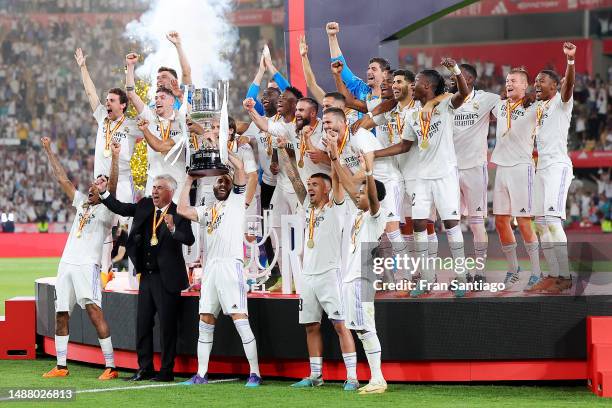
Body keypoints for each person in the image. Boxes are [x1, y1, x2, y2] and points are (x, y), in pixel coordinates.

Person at [373, 59, 471, 297]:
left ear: (426, 86)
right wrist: (374, 154)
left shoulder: (445, 105)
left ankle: (462, 278)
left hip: (445, 174)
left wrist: (455, 71)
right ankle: (426, 278)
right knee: (418, 224)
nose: (413, 86)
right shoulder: (413, 115)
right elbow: (404, 145)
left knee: (450, 225)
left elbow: (463, 94)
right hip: (422, 178)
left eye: (416, 82)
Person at [274, 129, 359, 391]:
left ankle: (353, 377)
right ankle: (315, 376)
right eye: (309, 185)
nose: (309, 187)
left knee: (340, 325)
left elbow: (337, 178)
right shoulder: (307, 207)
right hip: (308, 276)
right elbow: (293, 177)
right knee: (311, 326)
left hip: (329, 274)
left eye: (314, 185)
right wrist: (281, 150)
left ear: (327, 189)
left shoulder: (336, 206)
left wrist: (333, 154)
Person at [95, 174, 195, 382]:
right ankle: (145, 368)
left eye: (160, 188)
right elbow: (122, 208)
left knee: (167, 327)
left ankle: (166, 371)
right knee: (143, 324)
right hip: (147, 277)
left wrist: (173, 228)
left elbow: (189, 239)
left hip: (167, 279)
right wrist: (104, 192)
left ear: (171, 192)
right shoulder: (145, 206)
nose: (155, 191)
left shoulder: (179, 212)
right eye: (154, 187)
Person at [177, 153, 262, 387]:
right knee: (205, 319)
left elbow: (242, 171)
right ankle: (201, 374)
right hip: (211, 268)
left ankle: (255, 372)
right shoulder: (207, 210)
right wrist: (189, 180)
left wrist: (223, 152)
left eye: (227, 180)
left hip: (230, 265)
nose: (223, 183)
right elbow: (183, 209)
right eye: (219, 181)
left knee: (239, 319)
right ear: (213, 186)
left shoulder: (237, 200)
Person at [41, 137, 119, 380]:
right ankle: (61, 365)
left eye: (101, 182)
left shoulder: (107, 209)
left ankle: (111, 366)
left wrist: (115, 158)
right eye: (95, 180)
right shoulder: (81, 204)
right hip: (67, 264)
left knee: (94, 312)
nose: (95, 184)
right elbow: (62, 179)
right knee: (61, 313)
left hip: (87, 265)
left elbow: (113, 186)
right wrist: (49, 151)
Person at [328, 142, 388, 394]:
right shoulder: (358, 214)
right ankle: (375, 379)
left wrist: (370, 173)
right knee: (361, 330)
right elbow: (350, 186)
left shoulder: (377, 215)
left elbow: (372, 198)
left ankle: (378, 379)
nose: (358, 195)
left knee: (367, 328)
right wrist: (334, 159)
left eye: (362, 193)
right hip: (351, 278)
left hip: (362, 278)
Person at [531, 42, 576, 293]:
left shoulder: (561, 101)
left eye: (541, 81)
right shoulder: (539, 107)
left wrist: (570, 62)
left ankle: (565, 276)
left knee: (551, 220)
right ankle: (552, 274)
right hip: (541, 168)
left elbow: (568, 85)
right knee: (539, 223)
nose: (536, 84)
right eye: (535, 81)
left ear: (554, 86)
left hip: (557, 166)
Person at [491, 68, 542, 290]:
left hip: (522, 167)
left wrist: (535, 96)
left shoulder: (533, 106)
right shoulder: (499, 105)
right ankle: (513, 269)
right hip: (502, 167)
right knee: (500, 221)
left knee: (523, 222)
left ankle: (538, 272)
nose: (508, 83)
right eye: (507, 80)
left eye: (513, 81)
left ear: (524, 85)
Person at [449, 64, 500, 284]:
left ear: (468, 79)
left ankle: (479, 273)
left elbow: (506, 114)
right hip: (449, 170)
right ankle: (461, 273)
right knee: (452, 224)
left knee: (477, 223)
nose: (452, 81)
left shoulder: (488, 99)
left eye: (456, 78)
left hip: (475, 168)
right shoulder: (447, 101)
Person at [126, 52, 187, 201]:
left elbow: (160, 146)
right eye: (156, 98)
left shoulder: (181, 120)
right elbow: (131, 94)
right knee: (152, 223)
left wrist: (145, 130)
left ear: (172, 101)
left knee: (175, 223)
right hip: (153, 180)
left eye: (162, 98)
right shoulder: (151, 116)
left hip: (177, 182)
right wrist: (130, 66)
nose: (158, 100)